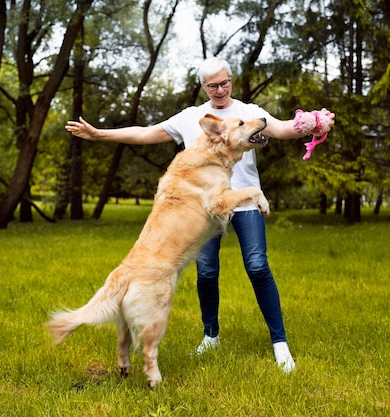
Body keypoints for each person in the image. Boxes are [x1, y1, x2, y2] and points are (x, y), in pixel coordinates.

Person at [65, 57, 335, 373]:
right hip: (204, 212)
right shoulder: (192, 117)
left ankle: (280, 343)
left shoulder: (248, 112)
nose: (219, 90)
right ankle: (211, 335)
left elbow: (284, 129)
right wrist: (100, 134)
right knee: (206, 273)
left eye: (224, 83)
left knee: (258, 267)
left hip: (244, 203)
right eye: (212, 85)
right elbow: (146, 133)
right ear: (204, 87)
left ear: (231, 80)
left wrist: (315, 122)